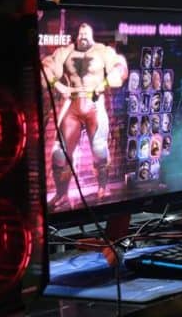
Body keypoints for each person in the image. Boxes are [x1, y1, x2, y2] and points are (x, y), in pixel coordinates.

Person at [42, 22, 129, 208]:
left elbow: (121, 68)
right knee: (59, 153)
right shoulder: (65, 52)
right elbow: (45, 67)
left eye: (85, 33)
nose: (82, 36)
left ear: (91, 34)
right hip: (72, 103)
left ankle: (102, 188)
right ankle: (62, 194)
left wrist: (104, 84)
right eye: (80, 33)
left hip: (94, 103)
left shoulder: (102, 51)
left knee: (99, 149)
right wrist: (57, 84)